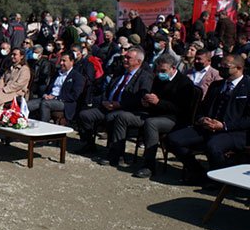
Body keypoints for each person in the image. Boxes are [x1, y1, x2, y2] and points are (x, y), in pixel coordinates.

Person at [166, 54, 250, 184]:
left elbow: (247, 119)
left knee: (213, 146)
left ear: (239, 68)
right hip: (208, 127)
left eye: (225, 67)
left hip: (234, 131)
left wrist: (223, 126)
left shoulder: (247, 87)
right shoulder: (216, 85)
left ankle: (220, 181)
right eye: (220, 66)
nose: (221, 68)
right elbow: (202, 108)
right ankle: (197, 171)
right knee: (172, 139)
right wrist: (202, 119)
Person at [77, 47, 153, 157]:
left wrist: (120, 105)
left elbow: (140, 99)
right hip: (109, 106)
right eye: (125, 57)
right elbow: (107, 89)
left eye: (128, 58)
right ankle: (89, 144)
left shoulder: (145, 77)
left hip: (127, 110)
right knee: (84, 115)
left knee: (113, 118)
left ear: (138, 61)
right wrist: (105, 101)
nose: (124, 60)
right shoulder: (120, 73)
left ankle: (115, 153)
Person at [131, 54, 197, 178]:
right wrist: (148, 102)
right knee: (129, 117)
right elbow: (155, 98)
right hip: (157, 113)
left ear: (173, 68)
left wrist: (159, 102)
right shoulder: (158, 80)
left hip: (175, 119)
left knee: (151, 123)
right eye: (158, 70)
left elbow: (182, 108)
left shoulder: (184, 83)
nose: (160, 73)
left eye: (163, 71)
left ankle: (149, 165)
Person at [28, 51, 85, 123]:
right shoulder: (56, 73)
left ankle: (44, 127)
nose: (61, 63)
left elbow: (74, 95)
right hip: (49, 98)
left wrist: (55, 97)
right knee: (28, 105)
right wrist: (45, 95)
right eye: (61, 60)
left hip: (64, 101)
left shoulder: (77, 77)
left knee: (45, 104)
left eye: (64, 61)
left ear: (72, 62)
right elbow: (48, 88)